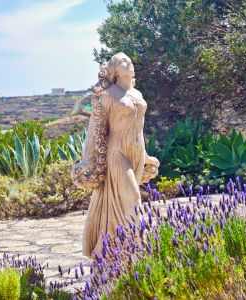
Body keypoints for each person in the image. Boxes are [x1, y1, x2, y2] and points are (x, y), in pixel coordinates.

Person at [72, 52, 159, 257]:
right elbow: (95, 129)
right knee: (132, 196)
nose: (129, 62)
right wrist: (87, 160)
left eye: (129, 60)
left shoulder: (137, 94)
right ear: (114, 70)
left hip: (136, 153)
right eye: (123, 61)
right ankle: (138, 247)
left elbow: (138, 129)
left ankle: (116, 249)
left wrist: (145, 156)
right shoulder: (108, 94)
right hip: (117, 153)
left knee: (123, 202)